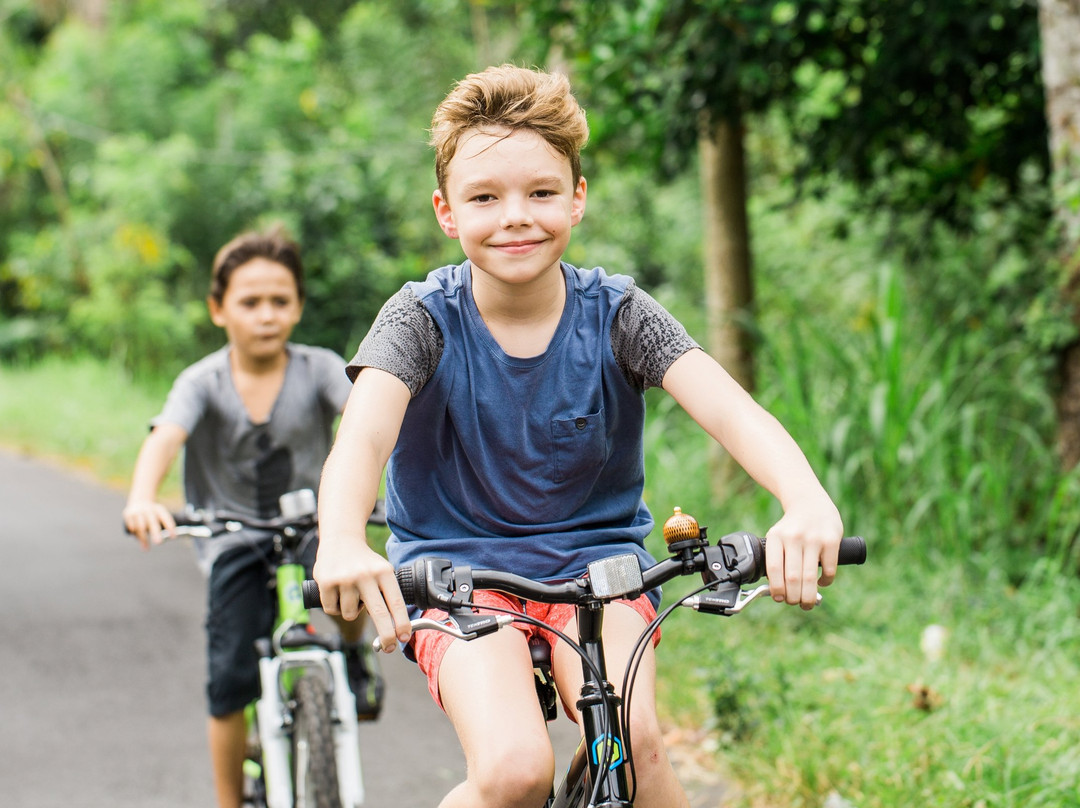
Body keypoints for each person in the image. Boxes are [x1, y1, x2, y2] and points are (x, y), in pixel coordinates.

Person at [313, 64, 844, 808]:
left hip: (600, 572)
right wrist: (340, 537)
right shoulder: (420, 318)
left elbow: (731, 411)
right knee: (513, 772)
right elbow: (363, 437)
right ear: (445, 211)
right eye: (485, 198)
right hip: (459, 579)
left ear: (577, 198)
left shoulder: (621, 314)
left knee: (639, 755)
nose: (515, 216)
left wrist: (805, 500)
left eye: (541, 192)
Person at [122, 225, 384, 808]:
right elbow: (167, 437)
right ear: (219, 309)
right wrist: (143, 496)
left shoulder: (318, 368)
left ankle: (351, 651)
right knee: (231, 677)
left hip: (315, 523)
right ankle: (227, 799)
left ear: (297, 307)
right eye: (250, 302)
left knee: (346, 583)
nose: (266, 315)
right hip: (232, 537)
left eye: (280, 301)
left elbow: (368, 419)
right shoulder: (203, 382)